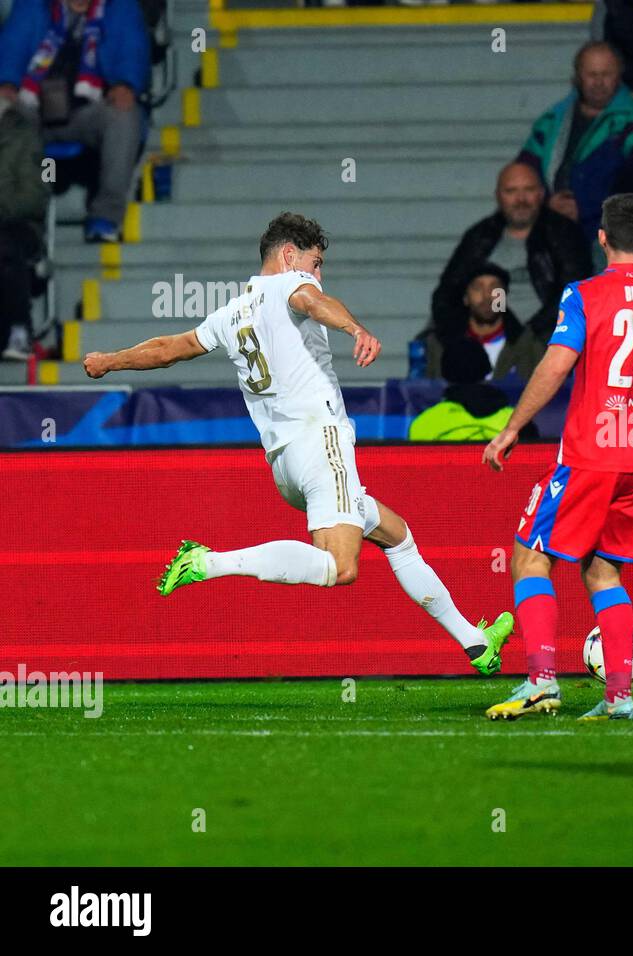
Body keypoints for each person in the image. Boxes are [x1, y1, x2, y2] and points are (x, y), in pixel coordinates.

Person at [81, 212, 515, 675]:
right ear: (289, 256)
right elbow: (311, 301)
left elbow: (170, 348)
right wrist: (357, 330)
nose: (318, 275)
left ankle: (475, 642)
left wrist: (110, 359)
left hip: (283, 463)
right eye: (316, 262)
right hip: (320, 441)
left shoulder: (231, 313)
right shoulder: (292, 287)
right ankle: (210, 562)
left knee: (397, 535)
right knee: (341, 568)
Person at [480, 194, 633, 722]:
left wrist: (512, 427)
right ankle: (619, 696)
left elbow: (555, 364)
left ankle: (541, 681)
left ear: (601, 239)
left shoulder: (585, 294)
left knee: (530, 557)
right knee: (602, 571)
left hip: (593, 455)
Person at [0, 0, 149, 242]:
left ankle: (106, 217)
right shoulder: (33, 6)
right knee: (4, 111)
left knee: (123, 115)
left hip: (87, 111)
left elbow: (132, 50)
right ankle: (14, 217)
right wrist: (6, 83)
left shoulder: (120, 8)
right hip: (33, 107)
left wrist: (125, 83)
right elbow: (11, 47)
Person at [427, 161, 590, 343]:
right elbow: (447, 292)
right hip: (486, 335)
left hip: (545, 338)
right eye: (511, 191)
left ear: (541, 194)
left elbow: (575, 291)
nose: (521, 200)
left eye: (528, 190)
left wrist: (530, 334)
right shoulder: (481, 236)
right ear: (498, 196)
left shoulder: (563, 233)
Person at [517, 41, 633, 244]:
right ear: (577, 78)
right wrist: (546, 203)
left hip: (610, 233)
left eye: (606, 74)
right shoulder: (551, 121)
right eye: (591, 75)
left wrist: (585, 206)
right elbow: (524, 171)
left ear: (619, 77)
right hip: (551, 225)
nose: (599, 82)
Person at [423, 264, 545, 383]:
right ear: (465, 298)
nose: (487, 296)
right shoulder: (441, 344)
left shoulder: (529, 344)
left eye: (495, 288)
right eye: (477, 288)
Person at [0, 95, 48, 360]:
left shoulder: (26, 138)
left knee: (4, 245)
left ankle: (19, 330)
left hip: (21, 226)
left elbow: (35, 197)